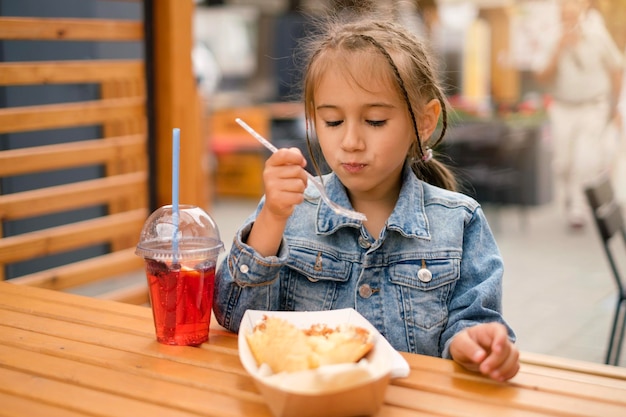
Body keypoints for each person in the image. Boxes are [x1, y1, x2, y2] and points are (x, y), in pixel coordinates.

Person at [213, 14, 520, 382]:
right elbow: (234, 317)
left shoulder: (460, 222)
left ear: (424, 122)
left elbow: (473, 323)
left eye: (374, 121)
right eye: (332, 122)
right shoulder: (289, 211)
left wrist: (474, 343)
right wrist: (272, 219)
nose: (351, 142)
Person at [533, 0, 623, 229]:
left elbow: (616, 67)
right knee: (563, 161)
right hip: (563, 107)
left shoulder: (597, 33)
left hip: (593, 106)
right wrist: (559, 48)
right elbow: (541, 76)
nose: (569, 11)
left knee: (585, 160)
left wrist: (614, 106)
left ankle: (578, 210)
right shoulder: (549, 36)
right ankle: (568, 197)